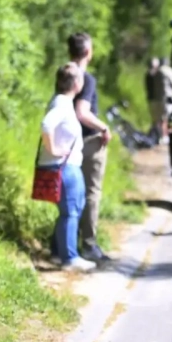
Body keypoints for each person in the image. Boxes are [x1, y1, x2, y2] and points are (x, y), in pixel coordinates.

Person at [41, 63, 94, 272]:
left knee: (73, 209)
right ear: (76, 83)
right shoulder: (62, 103)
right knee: (70, 211)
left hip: (67, 165)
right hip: (64, 167)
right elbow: (46, 125)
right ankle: (69, 258)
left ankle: (61, 252)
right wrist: (53, 149)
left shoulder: (63, 102)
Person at [68, 32, 112, 262]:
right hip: (89, 142)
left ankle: (66, 242)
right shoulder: (86, 78)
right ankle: (89, 244)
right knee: (91, 192)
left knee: (72, 194)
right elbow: (82, 112)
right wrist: (103, 127)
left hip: (69, 143)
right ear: (87, 52)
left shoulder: (63, 75)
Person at [151, 58, 172, 145]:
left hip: (158, 98)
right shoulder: (168, 71)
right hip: (168, 98)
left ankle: (158, 136)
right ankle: (165, 136)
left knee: (158, 118)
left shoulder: (156, 72)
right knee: (167, 118)